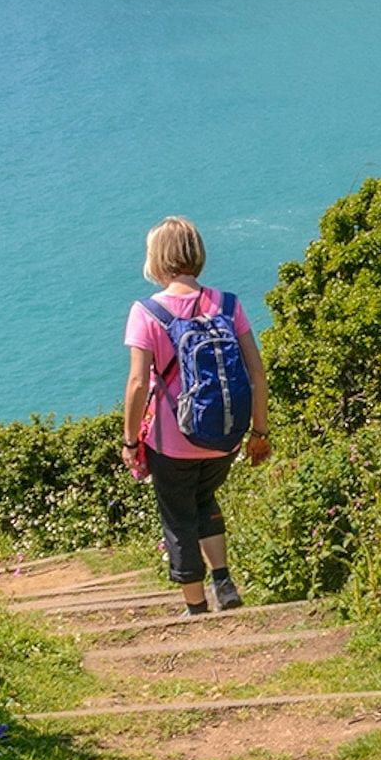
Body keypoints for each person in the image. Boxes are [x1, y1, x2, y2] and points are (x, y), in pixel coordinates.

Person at [120, 216, 271, 613]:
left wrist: (130, 440)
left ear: (158, 258)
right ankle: (223, 581)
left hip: (173, 443)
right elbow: (256, 371)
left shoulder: (147, 312)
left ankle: (196, 608)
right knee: (204, 500)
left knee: (178, 519)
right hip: (224, 437)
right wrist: (260, 432)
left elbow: (138, 384)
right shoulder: (228, 304)